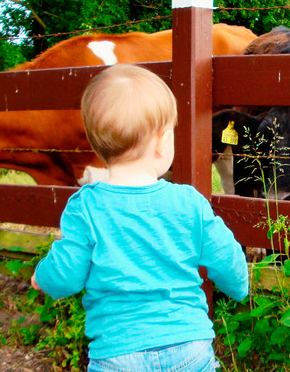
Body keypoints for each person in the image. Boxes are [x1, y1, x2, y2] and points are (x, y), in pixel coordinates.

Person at [31, 63, 249, 372]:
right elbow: (228, 260)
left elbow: (65, 273)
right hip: (189, 347)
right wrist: (240, 287)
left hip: (119, 355)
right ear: (162, 143)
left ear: (97, 144)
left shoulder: (87, 208)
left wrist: (43, 278)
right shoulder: (188, 202)